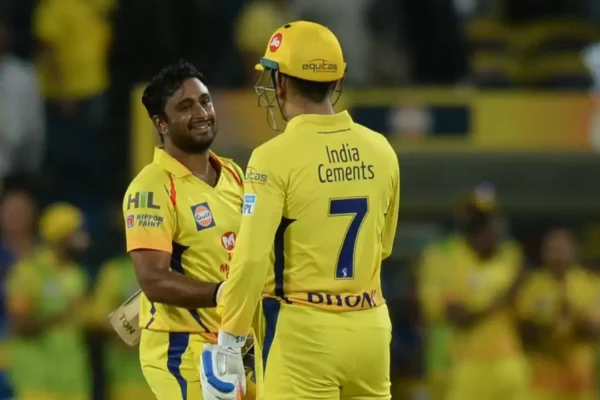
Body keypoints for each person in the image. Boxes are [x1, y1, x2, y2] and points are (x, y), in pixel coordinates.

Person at [201, 21, 400, 400]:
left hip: (304, 333)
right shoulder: (381, 149)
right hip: (371, 327)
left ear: (281, 83)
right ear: (336, 82)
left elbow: (251, 258)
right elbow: (383, 245)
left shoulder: (273, 157)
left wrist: (230, 339)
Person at [123, 60, 255, 400]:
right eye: (185, 107)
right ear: (161, 124)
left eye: (205, 101)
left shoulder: (233, 174)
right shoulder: (151, 187)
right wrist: (223, 293)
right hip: (182, 349)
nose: (201, 113)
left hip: (236, 342)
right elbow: (153, 280)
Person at [5, 202, 91, 400]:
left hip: (74, 383)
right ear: (60, 236)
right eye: (76, 233)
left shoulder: (76, 274)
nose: (83, 238)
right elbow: (19, 325)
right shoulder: (28, 271)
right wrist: (60, 316)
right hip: (37, 384)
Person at [442, 204, 527, 400]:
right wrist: (502, 299)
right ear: (478, 233)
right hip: (469, 363)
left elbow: (525, 312)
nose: (498, 239)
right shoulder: (455, 262)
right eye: (493, 233)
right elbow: (459, 318)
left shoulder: (509, 261)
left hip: (509, 359)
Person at [517, 228, 600, 400]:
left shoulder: (590, 283)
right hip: (541, 386)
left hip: (579, 384)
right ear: (543, 253)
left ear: (575, 252)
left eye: (562, 249)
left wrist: (571, 315)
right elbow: (524, 334)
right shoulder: (532, 284)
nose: (557, 256)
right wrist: (550, 324)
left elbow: (593, 331)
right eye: (552, 249)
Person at [87, 252, 154, 400]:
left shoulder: (177, 272)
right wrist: (128, 331)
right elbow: (98, 317)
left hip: (172, 379)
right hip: (128, 381)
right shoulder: (118, 271)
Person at [0, 185, 37, 400]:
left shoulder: (44, 256)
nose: (16, 217)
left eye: (21, 211)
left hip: (39, 352)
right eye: (10, 211)